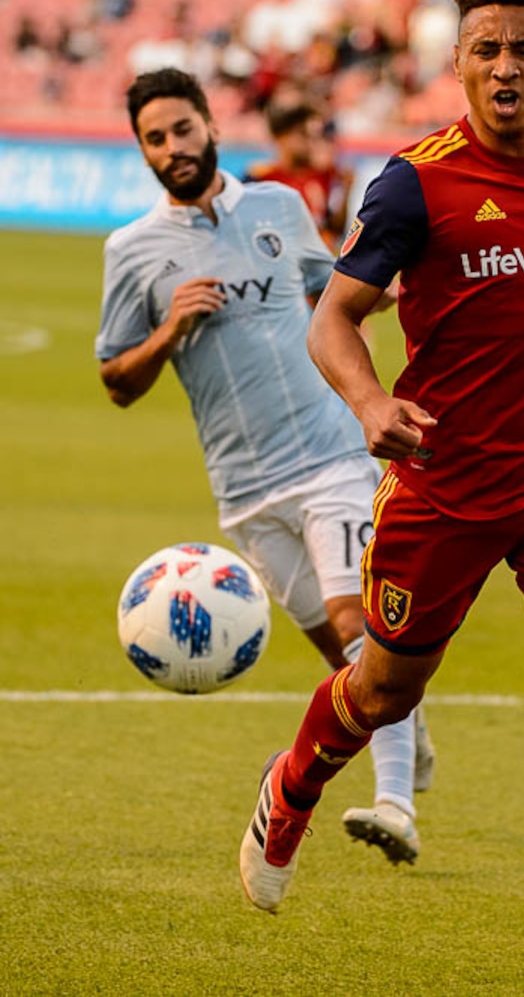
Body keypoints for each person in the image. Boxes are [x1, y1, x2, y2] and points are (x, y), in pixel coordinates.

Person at [239, 0, 524, 996]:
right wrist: (374, 406)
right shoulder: (412, 184)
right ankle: (292, 784)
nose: (505, 67)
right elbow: (333, 316)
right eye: (486, 50)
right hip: (446, 482)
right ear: (456, 65)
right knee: (383, 688)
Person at [94, 66, 435, 867]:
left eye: (182, 129)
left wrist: (405, 272)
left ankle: (395, 805)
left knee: (361, 628)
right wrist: (167, 331)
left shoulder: (279, 209)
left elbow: (338, 293)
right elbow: (115, 381)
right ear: (142, 151)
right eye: (155, 138)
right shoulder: (132, 251)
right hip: (245, 492)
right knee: (344, 656)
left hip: (330, 457)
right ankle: (407, 739)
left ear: (210, 124)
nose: (172, 147)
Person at [243, 95, 355, 253]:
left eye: (315, 136)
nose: (311, 143)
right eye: (303, 135)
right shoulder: (259, 178)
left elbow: (333, 229)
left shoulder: (323, 175)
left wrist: (346, 191)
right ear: (281, 137)